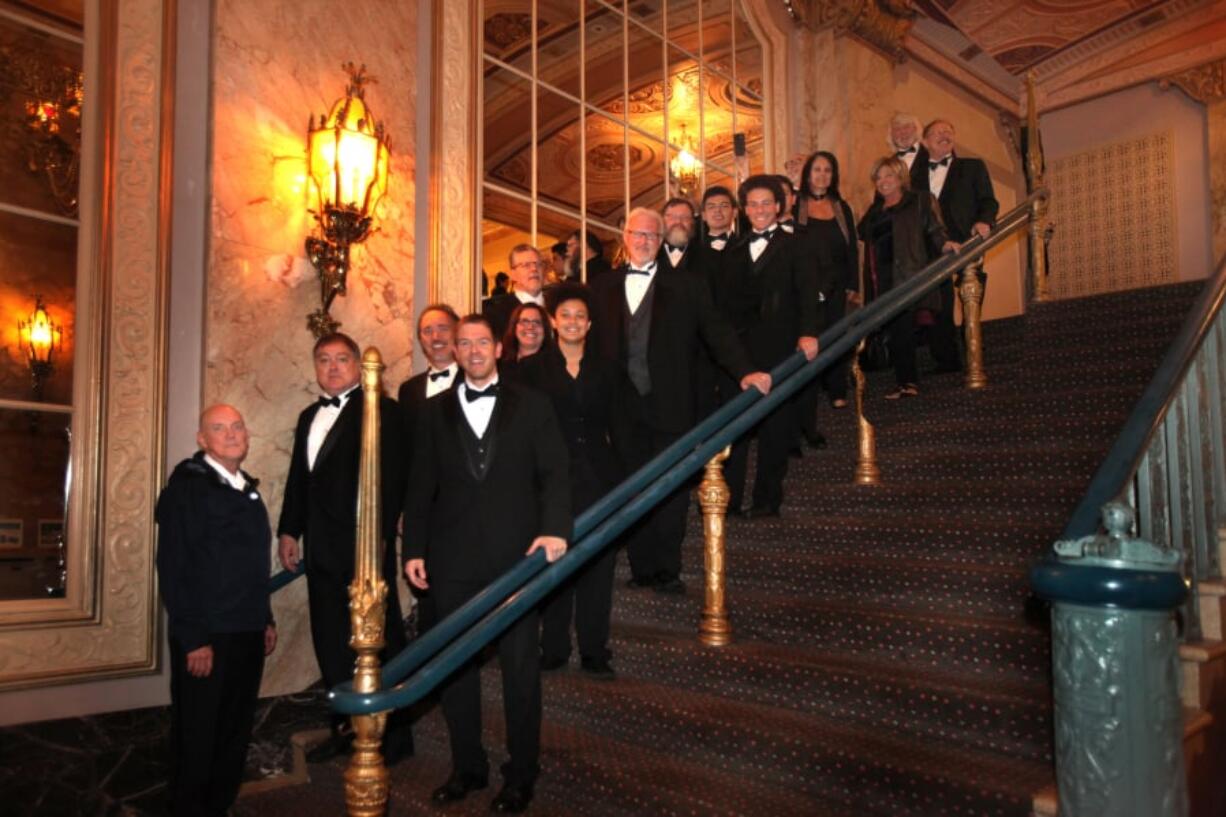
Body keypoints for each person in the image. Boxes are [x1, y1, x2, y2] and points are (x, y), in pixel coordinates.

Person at [404, 314, 571, 814]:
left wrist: (556, 529)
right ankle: (467, 767)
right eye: (463, 343)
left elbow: (555, 472)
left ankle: (521, 772)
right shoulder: (433, 413)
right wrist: (414, 547)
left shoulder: (534, 405)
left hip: (516, 558)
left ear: (498, 348)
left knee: (520, 669)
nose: (473, 350)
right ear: (454, 351)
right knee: (456, 669)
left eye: (481, 342)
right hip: (450, 559)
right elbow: (420, 486)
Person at [589, 207, 770, 593]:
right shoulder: (600, 287)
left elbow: (717, 332)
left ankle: (668, 570)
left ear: (661, 241)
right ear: (624, 236)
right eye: (637, 234)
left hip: (672, 404)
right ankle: (642, 567)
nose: (644, 241)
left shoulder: (688, 285)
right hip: (619, 410)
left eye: (652, 236)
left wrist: (745, 371)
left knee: (671, 490)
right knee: (630, 490)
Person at [276, 332, 413, 764]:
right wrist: (288, 531)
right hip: (320, 552)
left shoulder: (382, 411)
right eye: (324, 360)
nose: (332, 367)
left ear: (358, 365)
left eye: (341, 359)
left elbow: (393, 479)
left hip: (364, 551)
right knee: (331, 641)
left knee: (381, 640)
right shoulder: (306, 417)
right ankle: (344, 730)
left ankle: (394, 738)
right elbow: (300, 481)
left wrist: (379, 540)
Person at [156, 404, 276, 817]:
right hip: (207, 637)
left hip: (245, 630)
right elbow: (174, 567)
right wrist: (194, 638)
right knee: (198, 737)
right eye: (219, 428)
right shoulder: (187, 489)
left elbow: (250, 566)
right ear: (202, 440)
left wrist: (265, 618)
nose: (231, 434)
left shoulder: (246, 488)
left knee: (233, 733)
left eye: (237, 426)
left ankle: (219, 808)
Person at [520, 284, 629, 680]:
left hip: (600, 478)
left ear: (589, 325)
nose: (572, 322)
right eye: (564, 315)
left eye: (579, 316)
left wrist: (627, 479)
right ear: (553, 322)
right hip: (549, 482)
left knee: (599, 567)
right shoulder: (530, 371)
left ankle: (594, 650)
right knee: (554, 564)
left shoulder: (607, 368)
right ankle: (553, 648)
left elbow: (623, 425)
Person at [716, 175, 823, 518]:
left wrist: (808, 333)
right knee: (737, 430)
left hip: (781, 346)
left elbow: (808, 293)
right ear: (744, 210)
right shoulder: (732, 252)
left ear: (779, 206)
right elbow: (724, 307)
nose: (760, 209)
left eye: (766, 203)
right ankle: (730, 502)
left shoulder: (797, 245)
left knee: (777, 428)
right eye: (753, 204)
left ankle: (766, 501)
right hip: (741, 353)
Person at [858, 157, 957, 400]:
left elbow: (934, 229)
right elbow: (861, 235)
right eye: (878, 177)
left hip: (909, 275)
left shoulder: (919, 200)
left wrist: (945, 244)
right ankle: (906, 380)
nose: (883, 182)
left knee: (902, 328)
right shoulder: (874, 209)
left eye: (888, 176)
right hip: (880, 279)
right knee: (895, 330)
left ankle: (908, 382)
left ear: (901, 177)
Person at [915, 118, 1000, 374]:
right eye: (938, 132)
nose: (945, 134)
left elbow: (988, 201)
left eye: (949, 131)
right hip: (932, 245)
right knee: (939, 302)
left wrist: (984, 221)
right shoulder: (914, 175)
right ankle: (946, 360)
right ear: (925, 141)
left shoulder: (972, 167)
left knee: (971, 295)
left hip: (967, 240)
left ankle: (973, 348)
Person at [397, 304, 461, 634]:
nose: (435, 337)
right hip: (424, 506)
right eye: (427, 331)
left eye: (442, 328)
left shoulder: (477, 380)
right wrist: (405, 509)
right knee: (427, 589)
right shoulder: (408, 391)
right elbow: (404, 456)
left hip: (466, 505)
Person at [795, 150, 859, 420]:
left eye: (827, 170)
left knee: (837, 336)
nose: (822, 175)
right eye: (817, 169)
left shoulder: (841, 207)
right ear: (808, 174)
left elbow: (852, 247)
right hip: (806, 282)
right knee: (810, 335)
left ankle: (837, 390)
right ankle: (809, 389)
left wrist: (854, 283)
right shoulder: (795, 204)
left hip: (839, 281)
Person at [483, 244, 547, 338]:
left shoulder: (557, 306)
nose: (534, 269)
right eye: (526, 265)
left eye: (538, 264)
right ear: (512, 274)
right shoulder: (494, 311)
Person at [498, 301, 553, 377]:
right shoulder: (500, 364)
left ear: (545, 329)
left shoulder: (554, 366)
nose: (530, 327)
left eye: (537, 322)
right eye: (525, 322)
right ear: (514, 327)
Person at [657, 197, 698, 274]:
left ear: (692, 222)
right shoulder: (651, 254)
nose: (678, 221)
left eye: (685, 217)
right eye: (672, 217)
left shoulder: (708, 257)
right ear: (662, 220)